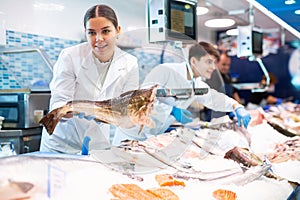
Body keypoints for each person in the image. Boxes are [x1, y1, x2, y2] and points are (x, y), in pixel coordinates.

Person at [40, 4, 139, 154]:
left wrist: (139, 115)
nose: (99, 39)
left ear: (118, 30)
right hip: (62, 144)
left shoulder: (130, 63)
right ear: (85, 33)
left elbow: (128, 108)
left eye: (105, 31)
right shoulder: (70, 56)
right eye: (92, 33)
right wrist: (76, 110)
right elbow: (59, 102)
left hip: (97, 142)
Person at [112, 42, 251, 145]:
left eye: (214, 63)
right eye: (209, 62)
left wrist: (236, 106)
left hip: (152, 137)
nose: (213, 68)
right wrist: (171, 110)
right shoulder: (165, 70)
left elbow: (215, 99)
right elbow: (141, 101)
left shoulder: (196, 84)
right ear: (193, 61)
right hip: (131, 134)